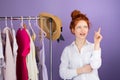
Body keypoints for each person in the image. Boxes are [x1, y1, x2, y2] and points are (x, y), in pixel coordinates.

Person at [59, 9, 103, 80]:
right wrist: (81, 70)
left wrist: (97, 43)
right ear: (73, 30)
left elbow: (95, 65)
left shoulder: (93, 47)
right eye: (79, 27)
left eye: (85, 27)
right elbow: (63, 73)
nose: (83, 30)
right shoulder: (68, 50)